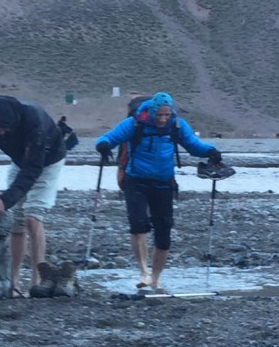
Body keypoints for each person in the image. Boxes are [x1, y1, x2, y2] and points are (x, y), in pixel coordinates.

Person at [95, 91, 223, 292]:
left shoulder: (177, 126)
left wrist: (211, 151)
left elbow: (193, 145)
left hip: (163, 184)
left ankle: (155, 279)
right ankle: (144, 273)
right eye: (160, 115)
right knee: (138, 226)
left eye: (167, 115)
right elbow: (110, 137)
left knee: (163, 234)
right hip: (136, 181)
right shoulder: (134, 124)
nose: (163, 119)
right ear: (152, 112)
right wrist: (102, 145)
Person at [0, 96, 66, 296]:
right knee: (15, 222)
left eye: (6, 129)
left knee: (33, 217)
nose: (2, 133)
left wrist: (4, 200)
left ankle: (37, 280)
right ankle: (13, 281)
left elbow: (33, 168)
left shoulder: (34, 122)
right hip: (20, 161)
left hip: (48, 161)